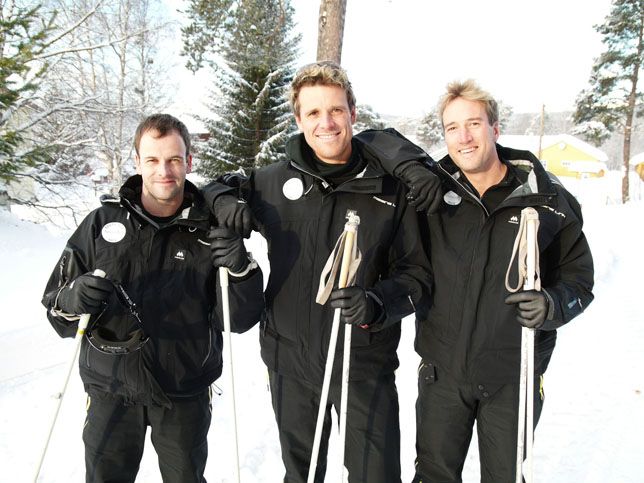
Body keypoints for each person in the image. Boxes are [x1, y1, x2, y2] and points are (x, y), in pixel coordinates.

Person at [204, 61, 432, 483]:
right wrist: (222, 202)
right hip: (289, 358)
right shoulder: (272, 182)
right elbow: (213, 188)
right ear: (298, 119)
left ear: (352, 114)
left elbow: (417, 275)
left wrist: (378, 303)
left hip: (363, 360)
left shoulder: (390, 188)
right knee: (303, 474)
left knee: (376, 475)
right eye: (312, 113)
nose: (325, 123)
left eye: (335, 111)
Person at [369, 79, 595, 482]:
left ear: (495, 128)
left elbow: (579, 280)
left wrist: (552, 305)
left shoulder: (546, 199)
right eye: (452, 127)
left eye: (474, 123)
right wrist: (410, 167)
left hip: (514, 374)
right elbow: (371, 138)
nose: (464, 137)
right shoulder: (433, 193)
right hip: (443, 373)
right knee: (433, 475)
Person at [41, 113, 264, 482]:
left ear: (189, 161)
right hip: (111, 386)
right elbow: (56, 309)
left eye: (175, 159)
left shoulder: (211, 230)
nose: (165, 170)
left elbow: (237, 321)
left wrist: (241, 269)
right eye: (153, 159)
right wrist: (73, 297)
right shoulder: (102, 223)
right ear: (137, 162)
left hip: (184, 390)